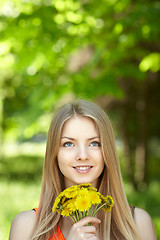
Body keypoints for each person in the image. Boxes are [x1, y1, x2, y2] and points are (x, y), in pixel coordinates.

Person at [9, 99, 156, 240]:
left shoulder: (138, 224)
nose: (83, 156)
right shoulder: (26, 226)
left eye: (94, 143)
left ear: (107, 151)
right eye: (68, 144)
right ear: (54, 153)